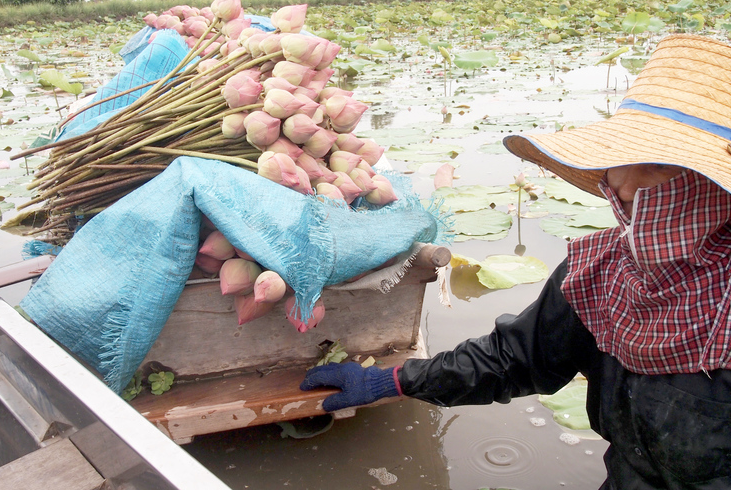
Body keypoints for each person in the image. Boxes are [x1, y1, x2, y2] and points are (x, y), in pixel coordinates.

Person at [299, 33, 731, 489]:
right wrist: (395, 381)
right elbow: (516, 357)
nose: (623, 188)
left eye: (659, 167)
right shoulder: (602, 273)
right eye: (622, 161)